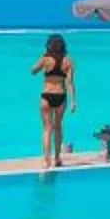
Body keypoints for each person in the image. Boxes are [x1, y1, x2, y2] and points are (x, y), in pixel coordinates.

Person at [35, 34, 76, 168]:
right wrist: (73, 101)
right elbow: (70, 83)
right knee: (58, 127)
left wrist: (42, 62)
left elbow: (33, 70)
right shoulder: (68, 60)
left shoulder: (45, 59)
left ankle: (46, 160)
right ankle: (57, 158)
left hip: (46, 95)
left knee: (47, 129)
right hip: (61, 96)